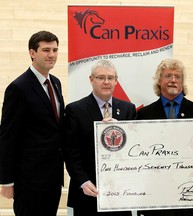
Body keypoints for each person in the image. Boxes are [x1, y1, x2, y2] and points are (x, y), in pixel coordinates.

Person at [0, 30, 64, 216]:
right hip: (29, 181)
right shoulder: (18, 88)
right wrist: (6, 181)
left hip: (52, 178)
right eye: (46, 50)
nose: (51, 55)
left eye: (55, 50)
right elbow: (7, 137)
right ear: (32, 53)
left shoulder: (56, 83)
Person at [63, 60, 136, 216]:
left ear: (116, 81)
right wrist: (83, 181)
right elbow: (70, 152)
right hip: (88, 193)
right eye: (101, 77)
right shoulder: (75, 110)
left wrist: (123, 131)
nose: (106, 82)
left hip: (120, 195)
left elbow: (135, 149)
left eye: (110, 78)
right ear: (91, 79)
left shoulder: (128, 109)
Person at [136, 59, 193, 216]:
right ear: (159, 81)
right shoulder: (143, 114)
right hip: (154, 195)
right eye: (168, 76)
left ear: (183, 82)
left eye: (178, 76)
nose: (173, 80)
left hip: (190, 194)